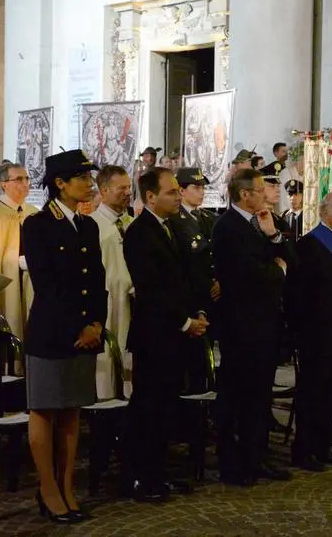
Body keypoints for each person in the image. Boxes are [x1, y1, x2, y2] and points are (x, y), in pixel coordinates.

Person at [22, 150, 107, 522]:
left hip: (85, 332)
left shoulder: (87, 226)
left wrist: (97, 325)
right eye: (83, 179)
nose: (89, 184)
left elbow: (96, 282)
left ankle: (68, 485)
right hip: (53, 332)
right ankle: (47, 487)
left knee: (72, 410)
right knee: (44, 409)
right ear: (60, 184)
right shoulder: (38, 225)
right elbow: (48, 284)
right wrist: (79, 327)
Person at [123, 167, 208, 502]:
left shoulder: (171, 227)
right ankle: (140, 477)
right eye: (171, 192)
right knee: (148, 408)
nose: (177, 196)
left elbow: (184, 279)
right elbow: (151, 288)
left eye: (177, 191)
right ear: (150, 197)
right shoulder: (141, 232)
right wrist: (184, 321)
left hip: (174, 333)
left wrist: (197, 312)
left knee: (166, 408)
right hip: (155, 335)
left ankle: (158, 473)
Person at [212, 168, 293, 486]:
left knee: (260, 396)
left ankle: (257, 456)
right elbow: (249, 275)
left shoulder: (263, 223)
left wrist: (273, 237)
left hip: (266, 324)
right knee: (238, 396)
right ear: (244, 194)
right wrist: (278, 270)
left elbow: (290, 260)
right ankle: (234, 463)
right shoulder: (228, 228)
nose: (266, 194)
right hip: (240, 327)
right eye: (260, 189)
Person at [288, 191, 332, 470]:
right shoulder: (309, 245)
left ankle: (324, 445)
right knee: (312, 393)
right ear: (325, 211)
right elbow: (298, 294)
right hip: (317, 336)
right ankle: (304, 450)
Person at [0, 163, 38, 342]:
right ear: (4, 184)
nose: (25, 183)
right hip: (5, 283)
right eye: (18, 179)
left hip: (30, 283)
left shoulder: (34, 213)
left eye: (27, 179)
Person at [171, 167, 219, 393]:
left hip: (212, 295)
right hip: (191, 298)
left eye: (203, 188)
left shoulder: (209, 218)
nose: (201, 192)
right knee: (190, 362)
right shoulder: (175, 220)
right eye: (196, 187)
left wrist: (218, 280)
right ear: (181, 190)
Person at [89, 165, 135, 399]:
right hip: (109, 300)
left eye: (129, 187)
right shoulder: (92, 225)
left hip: (133, 302)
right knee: (107, 355)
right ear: (104, 191)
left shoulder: (132, 223)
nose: (128, 192)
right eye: (121, 188)